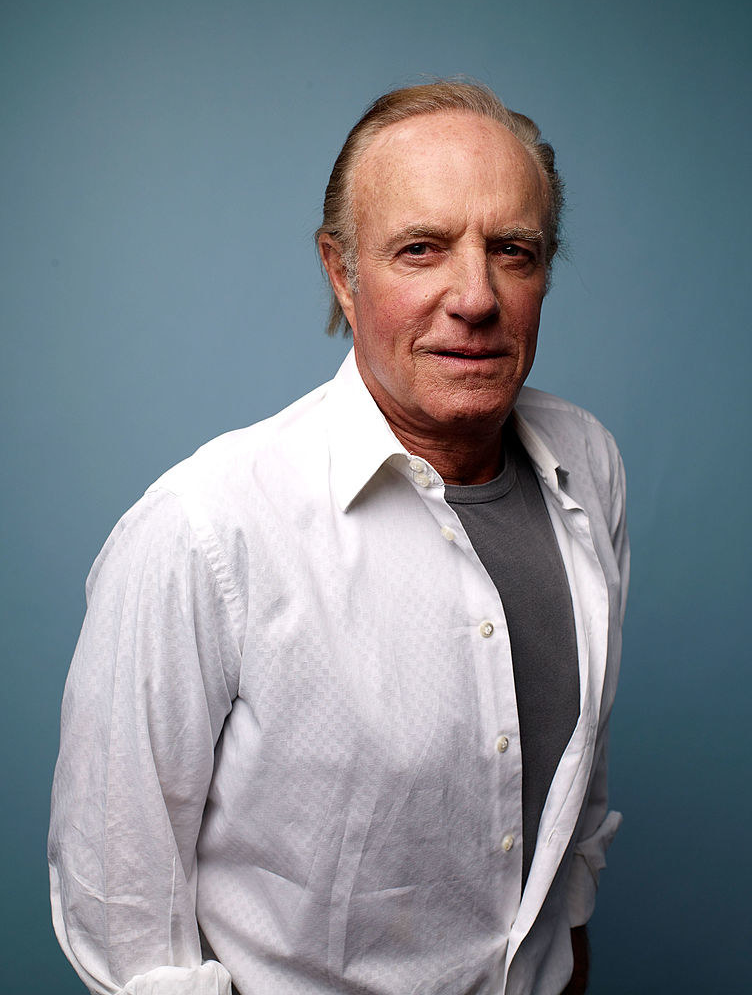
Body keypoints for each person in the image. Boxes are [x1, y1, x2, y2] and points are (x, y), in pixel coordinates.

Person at [49, 81, 629, 995]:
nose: (474, 296)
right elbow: (123, 932)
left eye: (511, 250)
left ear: (545, 270)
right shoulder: (203, 531)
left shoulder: (588, 467)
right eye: (421, 249)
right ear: (341, 271)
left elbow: (574, 804)